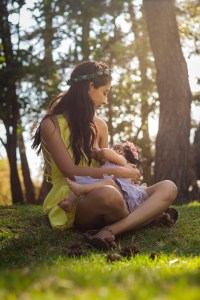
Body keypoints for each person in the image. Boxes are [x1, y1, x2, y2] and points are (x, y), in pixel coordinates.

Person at [32, 60, 178, 250]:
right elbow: (70, 170)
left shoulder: (99, 125)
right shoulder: (50, 125)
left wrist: (123, 170)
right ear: (90, 87)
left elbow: (105, 168)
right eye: (105, 93)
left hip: (109, 188)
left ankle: (110, 230)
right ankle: (147, 218)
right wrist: (121, 172)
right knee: (110, 196)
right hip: (75, 196)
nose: (105, 100)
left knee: (169, 187)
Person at [58, 141, 148, 214]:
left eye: (112, 149)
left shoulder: (122, 160)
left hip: (116, 188)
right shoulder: (116, 164)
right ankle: (70, 202)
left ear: (120, 151)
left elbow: (105, 152)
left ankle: (82, 190)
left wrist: (98, 151)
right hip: (109, 188)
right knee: (82, 182)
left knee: (109, 182)